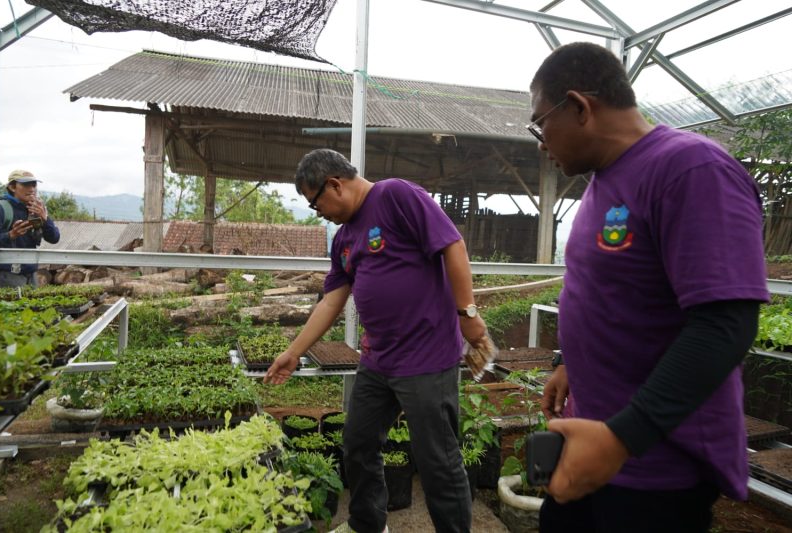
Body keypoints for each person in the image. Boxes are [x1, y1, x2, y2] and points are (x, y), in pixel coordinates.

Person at [530, 42, 769, 533]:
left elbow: (726, 322)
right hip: (597, 445)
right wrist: (567, 361)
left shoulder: (692, 169)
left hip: (653, 467)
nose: (540, 141)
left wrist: (621, 438)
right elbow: (608, 288)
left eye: (540, 122)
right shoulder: (603, 181)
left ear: (579, 107)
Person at [264, 148, 487, 533]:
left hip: (427, 359)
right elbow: (333, 297)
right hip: (378, 360)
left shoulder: (396, 195)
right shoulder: (344, 238)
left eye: (315, 204)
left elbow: (453, 245)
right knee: (358, 443)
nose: (319, 213)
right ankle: (367, 524)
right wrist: (293, 352)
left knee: (437, 460)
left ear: (334, 184)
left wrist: (467, 315)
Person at [0, 169, 60, 288]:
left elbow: (54, 238)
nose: (31, 189)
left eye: (34, 185)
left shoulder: (36, 208)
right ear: (12, 187)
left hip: (31, 274)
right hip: (6, 275)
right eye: (25, 185)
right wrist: (10, 235)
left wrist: (45, 219)